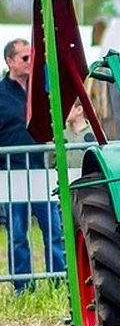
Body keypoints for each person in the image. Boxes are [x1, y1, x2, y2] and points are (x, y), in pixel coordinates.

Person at [0, 39, 65, 293]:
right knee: (17, 234)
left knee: (54, 229)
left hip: (41, 171)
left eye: (32, 57)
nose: (30, 62)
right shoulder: (1, 95)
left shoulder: (42, 89)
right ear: (10, 62)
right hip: (11, 173)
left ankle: (59, 284)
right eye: (25, 58)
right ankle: (22, 289)